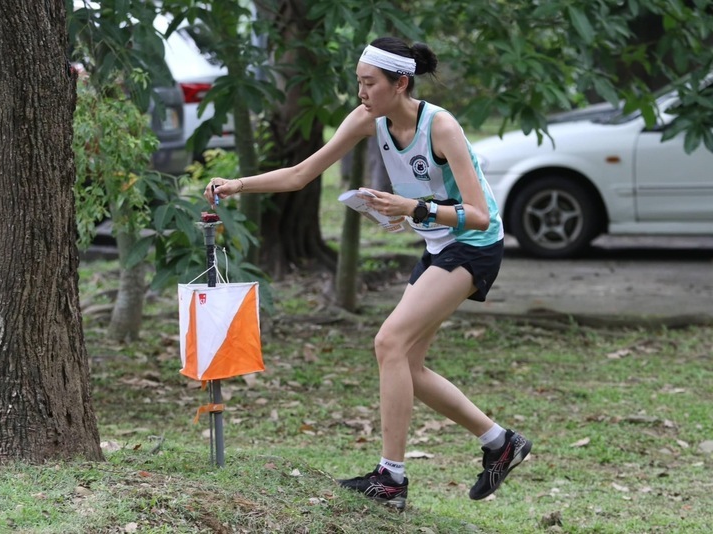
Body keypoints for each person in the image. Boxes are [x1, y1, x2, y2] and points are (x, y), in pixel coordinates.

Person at [204, 36, 532, 511]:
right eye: (358, 82)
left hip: (475, 246)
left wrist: (414, 207)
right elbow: (301, 174)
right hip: (440, 245)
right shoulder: (368, 119)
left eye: (369, 83)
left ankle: (391, 480)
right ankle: (500, 442)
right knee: (407, 366)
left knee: (388, 343)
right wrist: (238, 184)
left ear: (400, 83)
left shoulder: (441, 127)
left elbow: (480, 215)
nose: (361, 92)